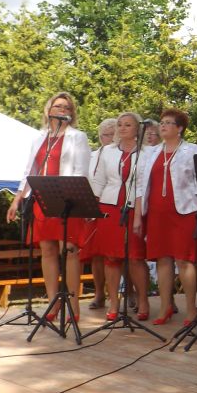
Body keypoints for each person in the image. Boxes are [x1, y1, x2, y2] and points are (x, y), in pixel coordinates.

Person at [7, 91, 91, 321]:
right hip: (43, 198)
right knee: (47, 250)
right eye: (58, 106)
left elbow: (82, 171)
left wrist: (70, 196)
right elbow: (30, 171)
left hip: (68, 199)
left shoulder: (78, 137)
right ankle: (53, 303)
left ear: (72, 113)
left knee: (69, 250)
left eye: (67, 107)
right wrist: (17, 199)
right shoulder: (39, 138)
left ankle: (73, 305)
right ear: (49, 110)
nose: (62, 109)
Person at [136, 108, 197, 326]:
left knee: (184, 260)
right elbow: (140, 186)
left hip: (184, 212)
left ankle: (192, 309)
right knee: (162, 259)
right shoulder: (151, 152)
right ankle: (165, 306)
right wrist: (138, 216)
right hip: (157, 214)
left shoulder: (193, 150)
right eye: (162, 122)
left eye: (168, 123)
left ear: (180, 128)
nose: (163, 126)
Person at [90, 111, 151, 321]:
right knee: (111, 257)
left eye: (127, 125)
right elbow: (99, 180)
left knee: (135, 257)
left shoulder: (146, 153)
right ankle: (114, 302)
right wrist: (92, 208)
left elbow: (144, 185)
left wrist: (139, 216)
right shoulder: (107, 151)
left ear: (137, 129)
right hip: (109, 207)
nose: (122, 128)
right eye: (120, 124)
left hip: (134, 208)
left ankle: (143, 300)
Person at [85, 117, 116, 311]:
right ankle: (99, 294)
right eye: (105, 135)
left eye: (113, 135)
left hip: (112, 206)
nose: (109, 138)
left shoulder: (120, 155)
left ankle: (129, 293)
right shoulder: (91, 156)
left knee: (117, 253)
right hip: (92, 207)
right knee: (95, 254)